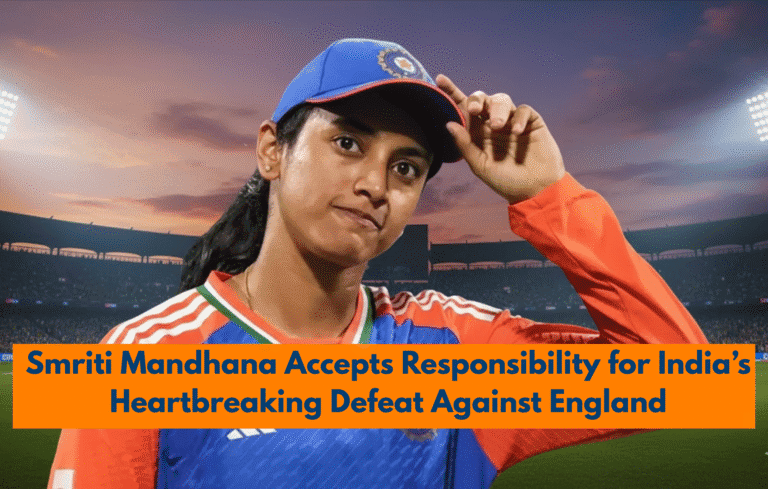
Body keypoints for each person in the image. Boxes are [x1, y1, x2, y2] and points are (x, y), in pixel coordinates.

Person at [48, 38, 706, 489]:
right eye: (346, 141)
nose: (376, 183)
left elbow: (684, 384)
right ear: (272, 151)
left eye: (407, 166)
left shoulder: (454, 352)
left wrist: (548, 197)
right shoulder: (142, 360)